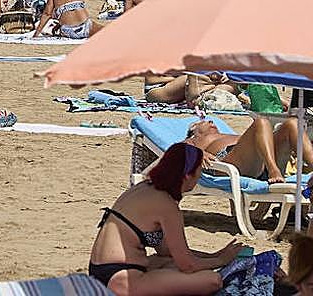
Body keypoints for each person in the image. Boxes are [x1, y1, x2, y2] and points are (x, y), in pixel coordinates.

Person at [87, 141, 242, 293]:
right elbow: (187, 265)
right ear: (187, 176)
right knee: (212, 280)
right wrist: (221, 261)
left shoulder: (144, 188)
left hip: (103, 272)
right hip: (122, 281)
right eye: (199, 172)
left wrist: (217, 255)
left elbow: (168, 252)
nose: (199, 176)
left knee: (167, 261)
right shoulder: (167, 206)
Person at [186, 115, 313, 185]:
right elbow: (177, 150)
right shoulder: (195, 140)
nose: (210, 120)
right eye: (203, 120)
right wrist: (198, 152)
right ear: (194, 129)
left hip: (258, 161)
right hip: (229, 162)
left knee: (292, 124)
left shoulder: (228, 135)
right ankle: (273, 170)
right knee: (261, 122)